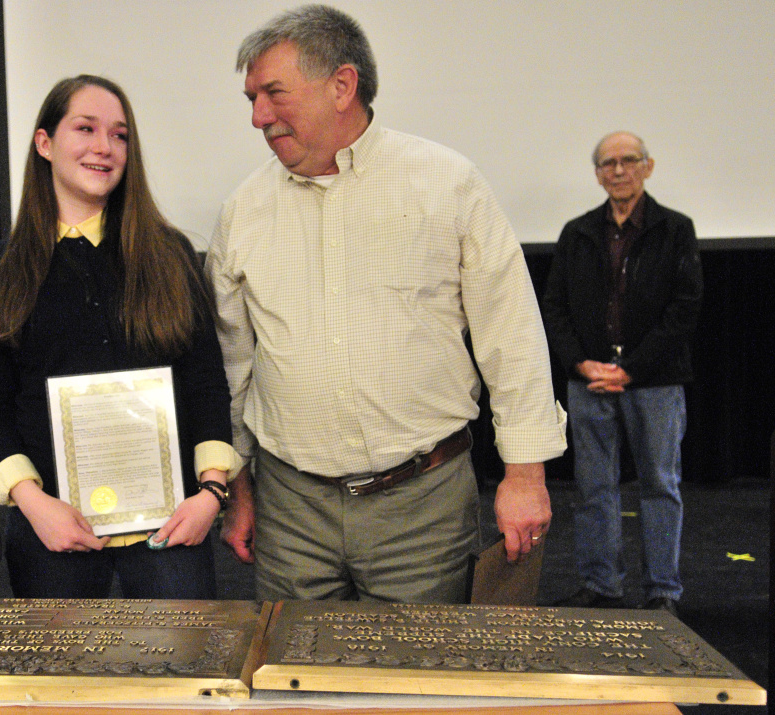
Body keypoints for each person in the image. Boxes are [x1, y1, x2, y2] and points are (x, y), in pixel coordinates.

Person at [205, 5, 566, 603]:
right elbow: (233, 366)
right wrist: (239, 490)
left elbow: (512, 334)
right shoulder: (244, 210)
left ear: (342, 85)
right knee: (294, 685)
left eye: (272, 94)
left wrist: (525, 475)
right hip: (289, 511)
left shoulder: (448, 184)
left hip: (422, 507)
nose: (257, 117)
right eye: (250, 98)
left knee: (421, 687)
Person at [0, 75, 240, 599]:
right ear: (44, 143)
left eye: (119, 135)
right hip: (53, 533)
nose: (104, 148)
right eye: (85, 129)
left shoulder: (170, 254)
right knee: (62, 680)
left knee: (182, 676)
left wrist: (210, 494)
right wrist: (33, 504)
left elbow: (205, 382)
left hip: (171, 530)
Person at [542, 131, 702, 615]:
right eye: (606, 163)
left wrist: (631, 370)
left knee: (660, 485)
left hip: (654, 381)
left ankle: (662, 591)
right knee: (593, 488)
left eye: (627, 160)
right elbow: (554, 307)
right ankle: (602, 583)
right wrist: (578, 362)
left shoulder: (675, 229)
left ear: (647, 167)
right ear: (596, 174)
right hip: (589, 381)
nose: (617, 170)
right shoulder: (578, 232)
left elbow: (685, 310)